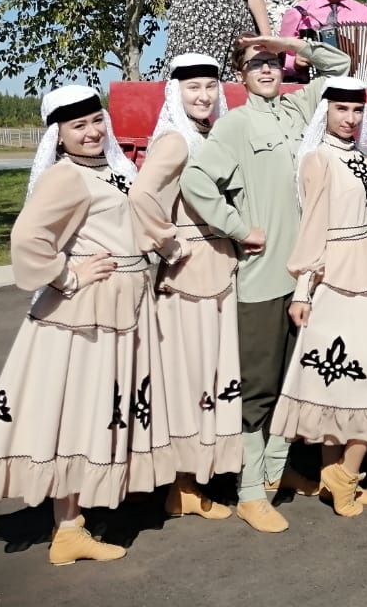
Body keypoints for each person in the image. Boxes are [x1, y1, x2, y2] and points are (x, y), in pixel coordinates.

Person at [0, 85, 164, 566]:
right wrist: (69, 274)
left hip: (123, 307)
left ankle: (66, 527)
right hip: (86, 313)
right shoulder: (65, 176)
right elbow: (28, 237)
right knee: (68, 419)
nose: (92, 132)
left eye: (96, 120)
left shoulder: (112, 168)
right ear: (58, 136)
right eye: (78, 126)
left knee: (82, 419)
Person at [179, 34, 350, 534]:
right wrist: (237, 228)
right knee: (258, 388)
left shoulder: (299, 108)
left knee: (295, 381)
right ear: (242, 76)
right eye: (257, 64)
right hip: (263, 279)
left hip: (309, 275)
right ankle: (251, 492)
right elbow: (195, 182)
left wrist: (279, 39)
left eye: (274, 62)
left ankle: (278, 470)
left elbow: (340, 66)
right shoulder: (235, 124)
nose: (268, 69)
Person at [271, 77, 367, 517]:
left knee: (362, 378)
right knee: (340, 379)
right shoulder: (317, 160)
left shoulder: (365, 157)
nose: (350, 119)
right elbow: (312, 226)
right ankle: (342, 475)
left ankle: (336, 476)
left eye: (357, 111)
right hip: (333, 277)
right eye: (341, 110)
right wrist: (303, 290)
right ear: (326, 112)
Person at [128, 53, 241, 521]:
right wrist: (169, 245)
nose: (204, 96)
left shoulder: (206, 134)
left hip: (219, 265)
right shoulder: (176, 140)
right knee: (189, 378)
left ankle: (197, 477)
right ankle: (183, 487)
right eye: (193, 88)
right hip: (190, 275)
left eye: (211, 87)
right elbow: (140, 195)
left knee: (212, 377)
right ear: (175, 93)